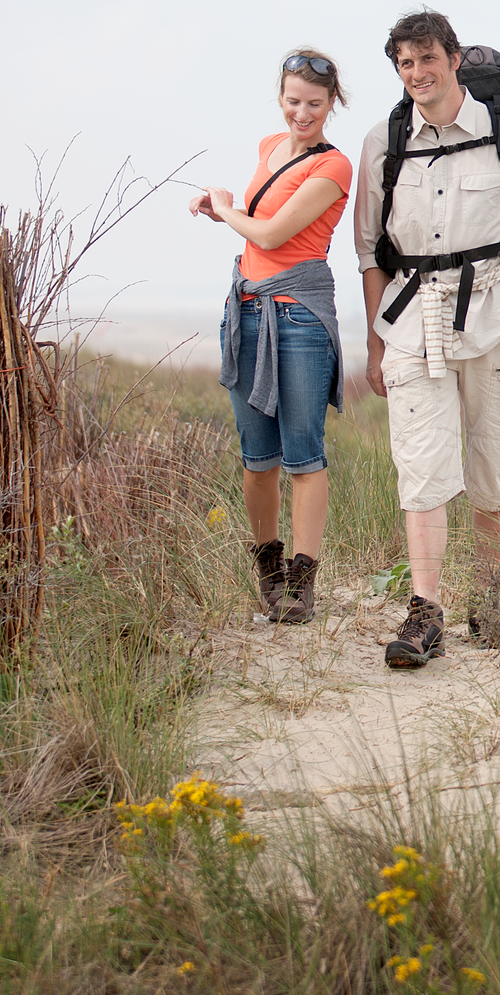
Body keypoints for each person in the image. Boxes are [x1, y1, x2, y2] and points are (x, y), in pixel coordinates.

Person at [354, 9, 500, 668]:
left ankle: (492, 598)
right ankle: (425, 613)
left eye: (427, 59)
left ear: (451, 58)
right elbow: (369, 251)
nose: (417, 73)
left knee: (490, 469)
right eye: (404, 63)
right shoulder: (383, 142)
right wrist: (375, 343)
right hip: (413, 324)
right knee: (420, 470)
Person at [191, 49, 353, 625]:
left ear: (333, 103)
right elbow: (255, 230)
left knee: (303, 455)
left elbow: (271, 230)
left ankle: (304, 585)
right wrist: (221, 212)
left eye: (314, 103)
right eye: (292, 101)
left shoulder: (334, 167)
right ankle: (270, 574)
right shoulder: (269, 148)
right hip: (249, 311)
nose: (301, 113)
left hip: (299, 317)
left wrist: (227, 207)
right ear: (279, 97)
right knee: (257, 456)